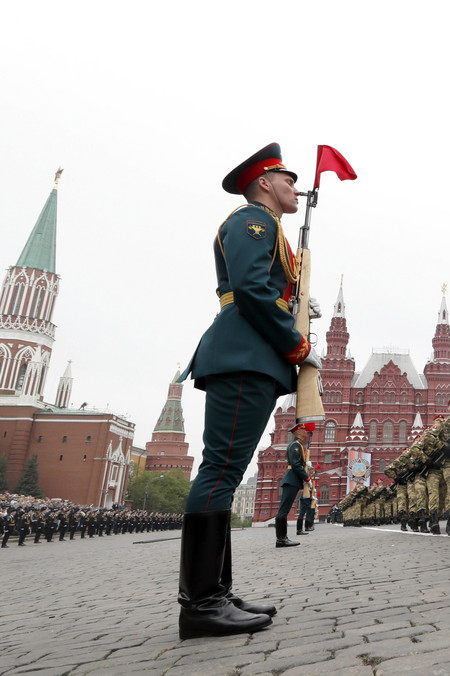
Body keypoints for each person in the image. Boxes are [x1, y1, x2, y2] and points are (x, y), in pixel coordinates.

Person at [177, 143, 317, 639]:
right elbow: (253, 290)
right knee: (220, 470)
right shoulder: (253, 222)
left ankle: (217, 590)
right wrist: (295, 343)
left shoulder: (268, 226)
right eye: (288, 180)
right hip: (244, 353)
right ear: (264, 183)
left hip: (250, 355)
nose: (295, 189)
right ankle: (201, 604)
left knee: (227, 469)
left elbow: (267, 289)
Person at [275, 421, 312, 547]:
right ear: (298, 432)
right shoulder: (295, 445)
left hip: (293, 480)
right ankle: (281, 539)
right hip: (292, 479)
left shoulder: (299, 445)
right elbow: (295, 464)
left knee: (284, 510)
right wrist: (306, 476)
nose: (306, 432)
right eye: (304, 430)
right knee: (283, 511)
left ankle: (282, 538)